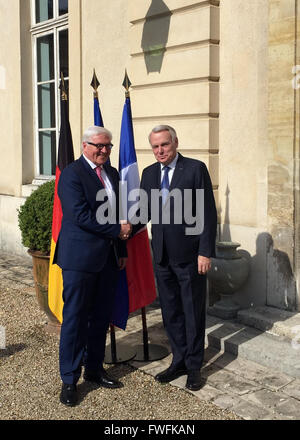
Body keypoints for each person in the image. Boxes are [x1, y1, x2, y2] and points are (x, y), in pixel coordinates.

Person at [54, 126, 131, 406]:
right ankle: (69, 380)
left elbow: (117, 212)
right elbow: (80, 215)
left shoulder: (111, 173)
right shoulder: (72, 174)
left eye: (108, 146)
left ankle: (94, 370)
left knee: (100, 317)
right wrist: (117, 232)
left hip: (108, 258)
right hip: (79, 260)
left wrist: (121, 248)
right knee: (75, 319)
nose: (104, 151)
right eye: (99, 146)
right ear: (85, 145)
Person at [140, 125, 217, 391]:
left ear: (175, 142)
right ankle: (180, 360)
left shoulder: (195, 169)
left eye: (164, 145)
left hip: (190, 256)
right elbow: (144, 211)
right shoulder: (148, 174)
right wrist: (123, 226)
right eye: (155, 146)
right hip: (161, 256)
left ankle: (195, 367)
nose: (160, 151)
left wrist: (205, 251)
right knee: (171, 312)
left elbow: (207, 213)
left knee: (192, 312)